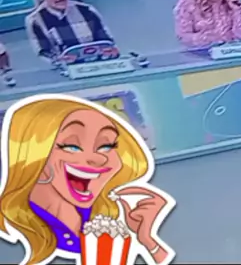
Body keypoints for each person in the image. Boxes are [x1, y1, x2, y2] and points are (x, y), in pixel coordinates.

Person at [0, 94, 175, 265]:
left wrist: (146, 239)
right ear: (33, 157)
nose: (98, 158)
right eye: (72, 146)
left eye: (107, 146)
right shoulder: (14, 230)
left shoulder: (108, 215)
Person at [25, 0, 114, 61]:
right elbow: (44, 53)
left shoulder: (88, 10)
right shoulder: (35, 21)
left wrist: (109, 51)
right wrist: (59, 60)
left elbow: (107, 41)